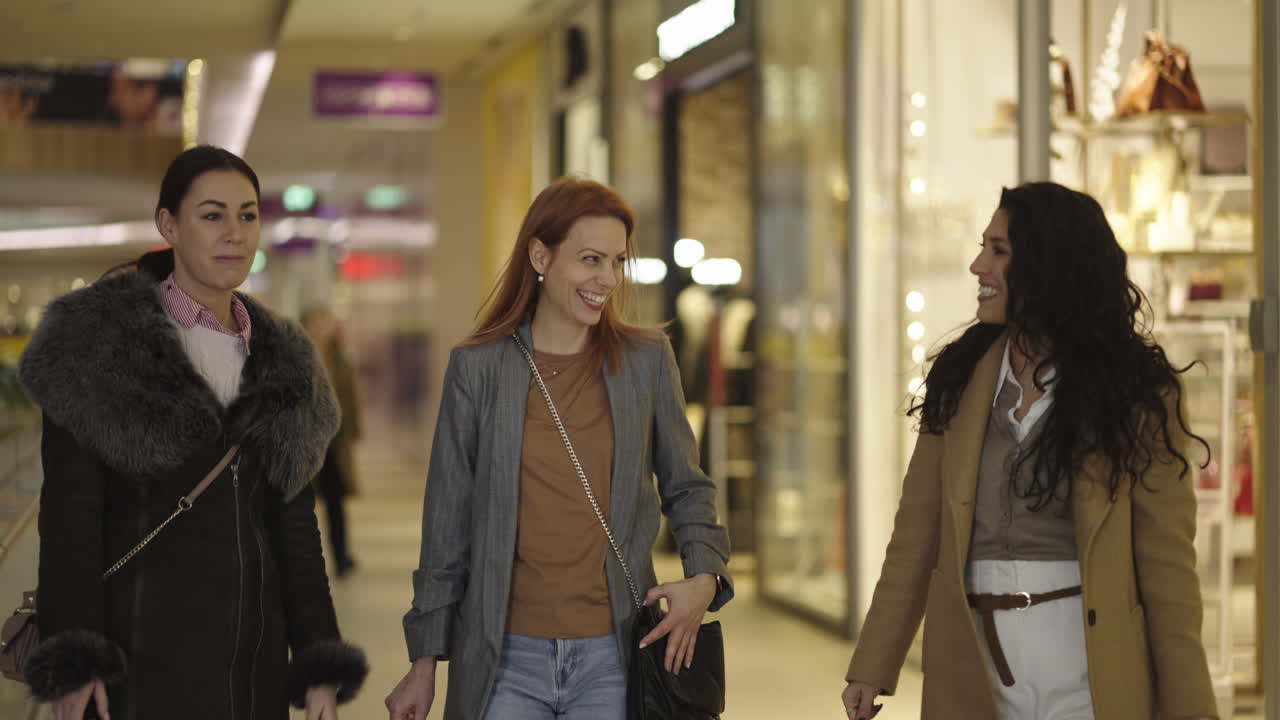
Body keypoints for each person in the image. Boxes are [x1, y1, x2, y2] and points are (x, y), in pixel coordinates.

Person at [840, 182, 1218, 720]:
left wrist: (1191, 708)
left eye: (998, 251)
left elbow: (1168, 575)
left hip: (1093, 677)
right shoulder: (959, 379)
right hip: (974, 673)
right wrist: (873, 663)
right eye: (982, 247)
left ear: (1049, 266)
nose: (978, 267)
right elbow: (914, 538)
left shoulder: (1135, 393)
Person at [18, 145, 368, 720]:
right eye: (212, 215)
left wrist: (316, 665)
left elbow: (295, 530)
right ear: (169, 225)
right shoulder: (96, 348)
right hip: (138, 674)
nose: (234, 233)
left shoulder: (285, 361)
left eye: (248, 215)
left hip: (251, 675)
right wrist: (76, 665)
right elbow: (70, 519)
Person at [384, 177, 734, 720]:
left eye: (617, 261)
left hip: (614, 655)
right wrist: (425, 659)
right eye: (591, 259)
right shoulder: (478, 369)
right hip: (503, 658)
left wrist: (703, 579)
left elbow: (688, 486)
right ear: (540, 255)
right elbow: (446, 526)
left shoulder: (646, 362)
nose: (606, 279)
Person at [302, 305, 362, 578]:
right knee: (303, 507)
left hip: (334, 444)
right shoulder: (297, 358)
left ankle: (341, 558)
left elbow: (350, 397)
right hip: (306, 444)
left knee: (336, 505)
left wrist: (354, 430)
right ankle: (306, 562)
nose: (321, 329)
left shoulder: (339, 360)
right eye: (316, 323)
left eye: (324, 323)